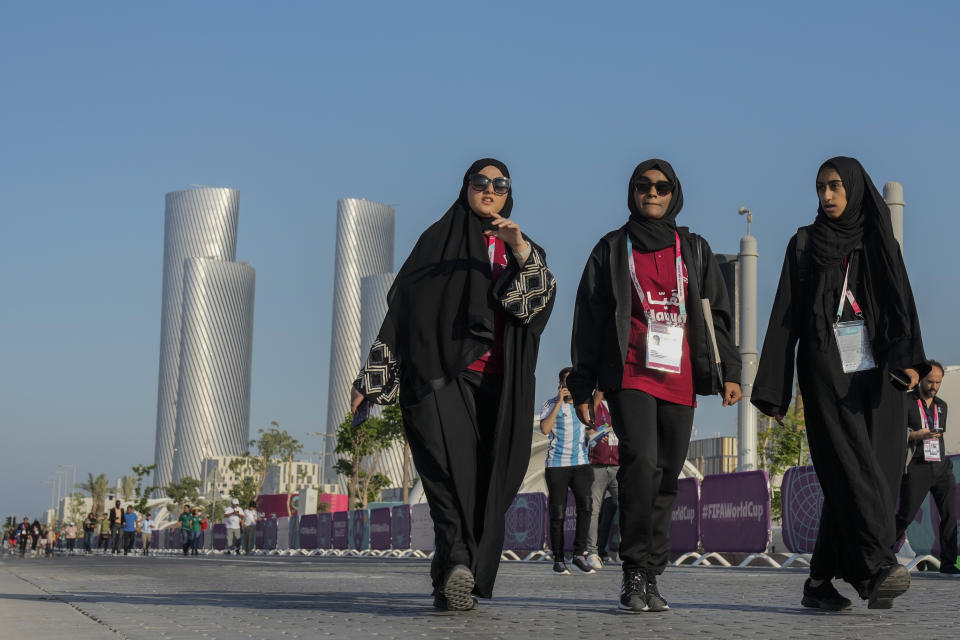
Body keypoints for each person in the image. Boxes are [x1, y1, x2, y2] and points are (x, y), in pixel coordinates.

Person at [351, 158, 556, 611]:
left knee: (491, 481)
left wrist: (519, 251)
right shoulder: (435, 243)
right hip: (440, 375)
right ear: (465, 188)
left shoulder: (522, 247)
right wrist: (373, 377)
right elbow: (402, 312)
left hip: (501, 383)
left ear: (509, 193)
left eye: (499, 184)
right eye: (479, 182)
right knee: (447, 472)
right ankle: (461, 561)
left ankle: (450, 573)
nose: (489, 189)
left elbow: (537, 306)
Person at [752, 156, 928, 611]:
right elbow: (784, 315)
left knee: (882, 469)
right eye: (820, 187)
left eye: (834, 186)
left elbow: (902, 302)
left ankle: (819, 582)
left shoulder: (879, 242)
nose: (827, 196)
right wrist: (774, 387)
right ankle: (876, 568)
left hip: (881, 365)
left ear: (854, 189)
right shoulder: (804, 244)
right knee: (850, 465)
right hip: (826, 364)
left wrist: (911, 362)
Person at [568, 158, 742, 613]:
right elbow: (588, 319)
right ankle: (633, 570)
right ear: (632, 192)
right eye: (643, 186)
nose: (653, 193)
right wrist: (584, 384)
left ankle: (652, 572)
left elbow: (716, 315)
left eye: (662, 187)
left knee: (666, 476)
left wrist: (731, 372)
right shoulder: (611, 248)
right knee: (641, 463)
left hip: (680, 378)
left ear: (674, 194)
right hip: (631, 375)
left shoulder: (694, 249)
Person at [894, 361, 958, 574]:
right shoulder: (907, 401)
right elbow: (894, 434)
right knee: (905, 515)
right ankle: (880, 555)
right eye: (930, 381)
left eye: (938, 382)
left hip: (940, 466)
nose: (933, 386)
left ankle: (949, 563)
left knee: (949, 515)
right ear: (921, 379)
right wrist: (914, 435)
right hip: (917, 466)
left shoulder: (942, 405)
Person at [539, 367, 595, 575]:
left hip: (581, 464)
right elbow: (545, 429)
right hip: (557, 466)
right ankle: (559, 558)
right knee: (558, 513)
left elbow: (589, 430)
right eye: (567, 383)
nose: (571, 388)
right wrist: (559, 403)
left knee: (586, 507)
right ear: (561, 385)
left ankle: (579, 554)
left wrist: (596, 435)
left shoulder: (584, 406)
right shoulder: (551, 404)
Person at [584, 391, 619, 569]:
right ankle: (592, 552)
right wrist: (596, 399)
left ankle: (630, 551)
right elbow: (588, 427)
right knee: (594, 510)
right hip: (597, 465)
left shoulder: (620, 401)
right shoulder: (592, 405)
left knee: (628, 507)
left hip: (619, 466)